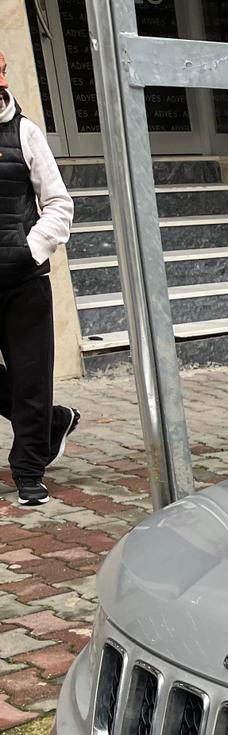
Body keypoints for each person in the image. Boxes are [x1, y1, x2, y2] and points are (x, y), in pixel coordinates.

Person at [0, 49, 77, 506]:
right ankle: (53, 423)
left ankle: (28, 469)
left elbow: (59, 204)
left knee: (31, 377)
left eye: (3, 68)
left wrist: (29, 250)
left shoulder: (25, 132)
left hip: (24, 282)